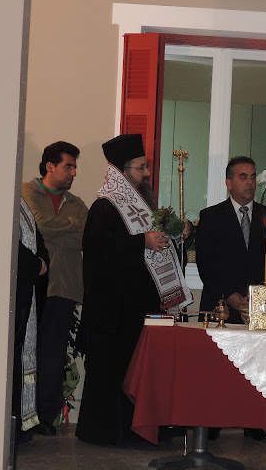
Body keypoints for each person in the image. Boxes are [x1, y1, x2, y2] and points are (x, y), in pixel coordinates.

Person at [75, 134, 191, 446]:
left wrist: (171, 235)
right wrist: (142, 242)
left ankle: (142, 429)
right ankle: (112, 433)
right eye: (141, 168)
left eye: (146, 167)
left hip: (140, 309)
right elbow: (100, 253)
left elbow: (152, 252)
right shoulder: (104, 207)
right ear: (123, 171)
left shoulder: (142, 205)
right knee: (115, 372)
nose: (147, 173)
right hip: (114, 312)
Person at [195, 155, 266, 442]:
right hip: (221, 303)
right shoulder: (211, 216)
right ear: (228, 183)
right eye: (242, 176)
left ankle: (253, 421)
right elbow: (205, 263)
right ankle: (212, 421)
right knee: (218, 366)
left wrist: (257, 297)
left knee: (255, 364)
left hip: (257, 304)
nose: (249, 182)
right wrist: (228, 295)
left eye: (252, 176)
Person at [21, 141, 88, 436]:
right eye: (68, 166)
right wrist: (69, 226)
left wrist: (54, 231)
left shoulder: (78, 204)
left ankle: (45, 417)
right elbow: (36, 225)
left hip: (64, 288)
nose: (74, 172)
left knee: (53, 355)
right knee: (27, 352)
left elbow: (85, 239)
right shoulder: (26, 192)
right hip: (33, 287)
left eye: (74, 166)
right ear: (50, 166)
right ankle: (22, 414)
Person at [11, 198, 49, 465]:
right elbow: (9, 244)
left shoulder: (20, 203)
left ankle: (19, 429)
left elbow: (38, 239)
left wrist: (42, 260)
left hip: (25, 296)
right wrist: (36, 264)